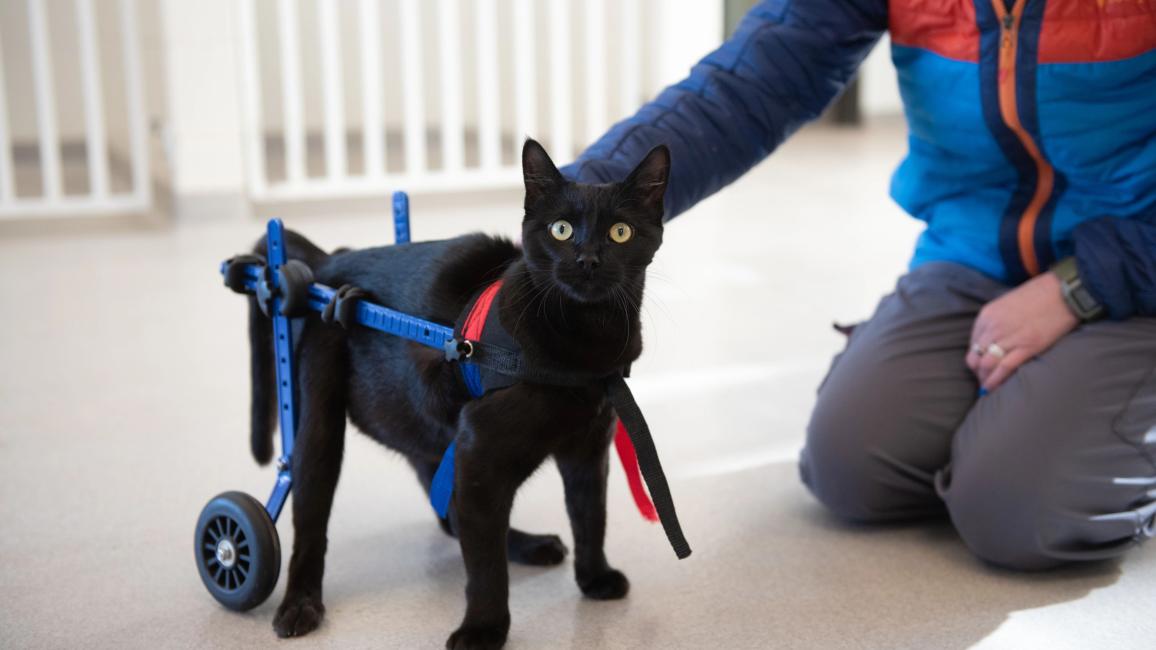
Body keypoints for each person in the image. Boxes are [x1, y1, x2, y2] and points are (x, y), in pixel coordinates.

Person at [560, 0, 1156, 570]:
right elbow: (746, 86)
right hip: (972, 254)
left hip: (1137, 269)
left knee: (1017, 516)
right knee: (849, 467)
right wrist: (568, 213)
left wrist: (1082, 285)